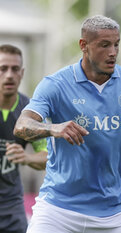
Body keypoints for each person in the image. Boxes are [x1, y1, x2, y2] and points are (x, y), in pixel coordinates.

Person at [14, 15, 121, 233]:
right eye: (104, 45)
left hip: (113, 212)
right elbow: (21, 126)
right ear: (84, 45)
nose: (113, 52)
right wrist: (54, 128)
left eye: (116, 45)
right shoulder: (54, 85)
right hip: (58, 209)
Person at [0, 44, 47, 233]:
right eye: (3, 68)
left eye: (15, 69)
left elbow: (47, 156)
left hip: (11, 208)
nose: (9, 75)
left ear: (22, 73)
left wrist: (27, 158)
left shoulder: (30, 112)